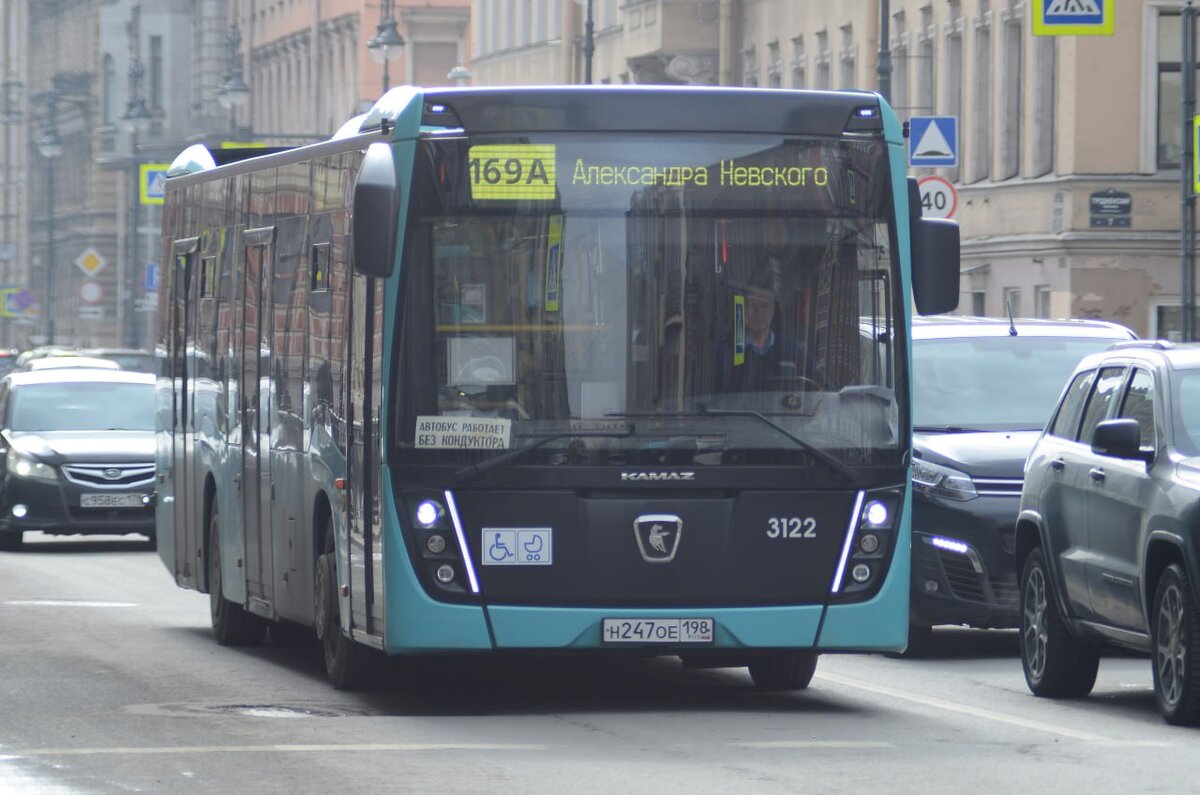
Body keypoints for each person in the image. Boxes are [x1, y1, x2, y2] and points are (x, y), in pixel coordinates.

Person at [719, 284, 805, 393]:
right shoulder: (726, 351)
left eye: (764, 306)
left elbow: (823, 388)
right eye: (751, 305)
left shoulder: (793, 350)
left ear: (773, 310)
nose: (758, 312)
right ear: (742, 309)